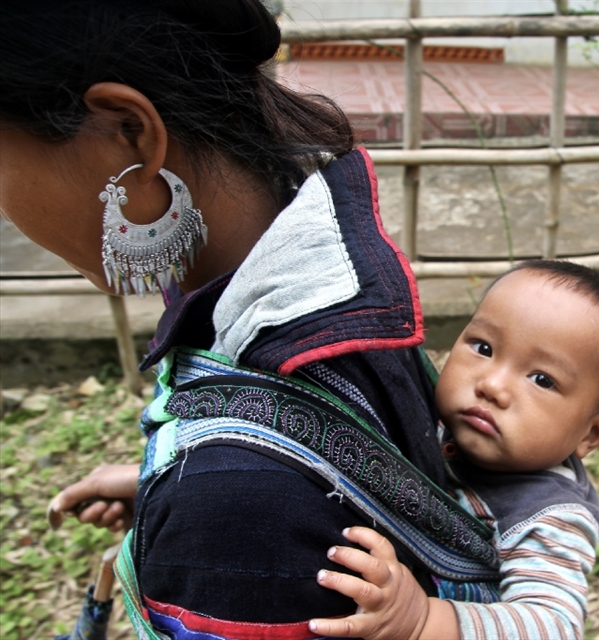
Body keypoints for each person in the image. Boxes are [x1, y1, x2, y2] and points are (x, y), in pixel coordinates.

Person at [1, 2, 498, 637]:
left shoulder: (225, 508)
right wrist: (164, 481)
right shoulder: (337, 276)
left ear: (130, 132)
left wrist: (206, 496)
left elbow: (264, 503)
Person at [308, 260, 599, 640]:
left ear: (593, 433)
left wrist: (422, 620)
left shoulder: (549, 517)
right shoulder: (426, 413)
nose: (493, 385)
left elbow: (553, 626)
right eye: (484, 348)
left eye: (541, 379)